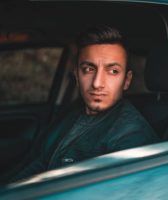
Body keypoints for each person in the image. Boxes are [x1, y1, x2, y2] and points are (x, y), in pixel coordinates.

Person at [10, 25, 158, 182]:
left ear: (126, 81)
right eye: (89, 69)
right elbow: (41, 162)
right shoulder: (73, 111)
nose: (97, 83)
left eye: (113, 71)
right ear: (76, 75)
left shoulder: (132, 139)